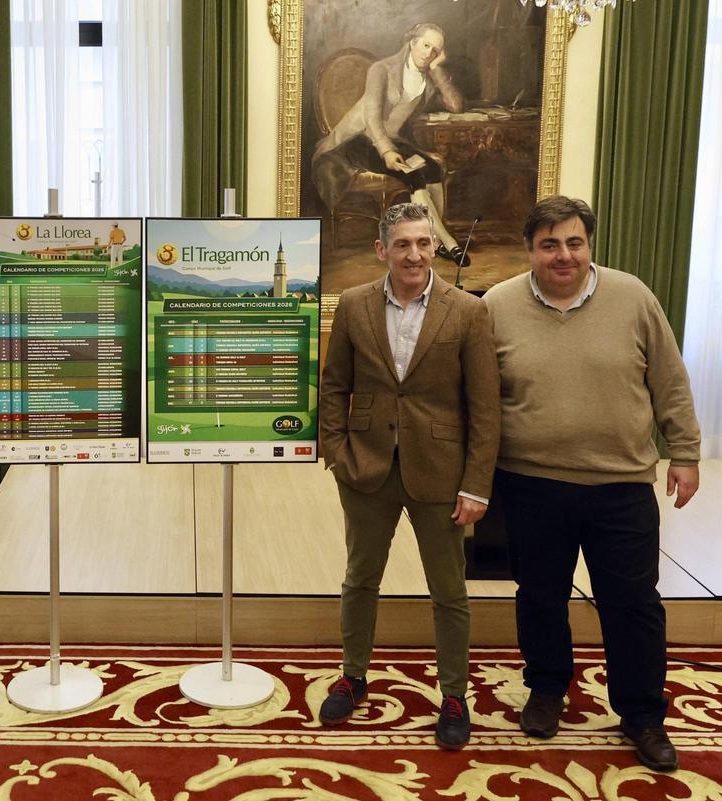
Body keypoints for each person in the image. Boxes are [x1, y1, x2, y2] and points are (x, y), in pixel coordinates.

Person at [483, 196, 701, 772]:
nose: (564, 255)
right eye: (549, 244)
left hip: (620, 486)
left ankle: (642, 714)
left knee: (633, 604)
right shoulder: (497, 305)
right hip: (529, 483)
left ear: (589, 245)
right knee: (539, 596)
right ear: (529, 249)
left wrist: (684, 452)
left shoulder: (634, 297)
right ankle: (547, 689)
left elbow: (670, 380)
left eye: (574, 242)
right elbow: (479, 398)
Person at [318, 202, 500, 749]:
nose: (414, 254)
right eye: (403, 244)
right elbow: (334, 385)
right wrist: (337, 452)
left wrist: (476, 484)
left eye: (423, 243)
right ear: (383, 250)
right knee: (360, 579)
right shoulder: (353, 305)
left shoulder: (467, 311)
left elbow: (484, 407)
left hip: (441, 473)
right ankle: (353, 677)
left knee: (448, 590)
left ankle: (454, 695)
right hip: (367, 467)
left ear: (434, 247)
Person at [312, 22, 469, 263]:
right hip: (358, 140)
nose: (429, 53)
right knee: (413, 175)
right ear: (412, 42)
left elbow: (456, 106)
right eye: (426, 45)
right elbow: (372, 117)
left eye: (436, 50)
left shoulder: (427, 76)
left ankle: (435, 241)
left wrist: (437, 69)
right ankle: (448, 243)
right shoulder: (381, 69)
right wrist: (386, 151)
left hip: (390, 140)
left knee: (433, 169)